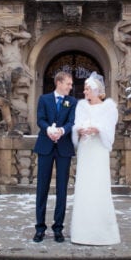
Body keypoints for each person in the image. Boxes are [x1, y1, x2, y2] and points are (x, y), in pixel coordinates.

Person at [70, 72, 120, 245]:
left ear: (97, 90)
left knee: (99, 186)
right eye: (84, 89)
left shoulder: (109, 108)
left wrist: (98, 128)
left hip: (98, 150)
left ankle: (103, 233)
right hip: (86, 149)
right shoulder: (81, 106)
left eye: (87, 89)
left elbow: (109, 129)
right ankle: (81, 232)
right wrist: (79, 130)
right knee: (84, 186)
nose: (84, 92)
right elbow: (77, 123)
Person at [33, 71, 77, 243]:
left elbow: (72, 122)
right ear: (59, 82)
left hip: (64, 148)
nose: (71, 87)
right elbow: (40, 119)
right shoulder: (44, 99)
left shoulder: (72, 101)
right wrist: (48, 130)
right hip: (45, 147)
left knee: (62, 189)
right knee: (41, 188)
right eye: (68, 83)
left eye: (72, 84)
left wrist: (61, 131)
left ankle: (58, 228)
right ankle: (40, 228)